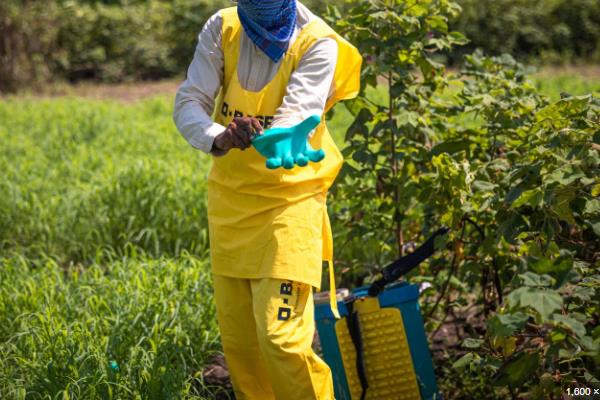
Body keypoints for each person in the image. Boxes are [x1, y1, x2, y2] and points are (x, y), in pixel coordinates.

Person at [173, 1, 361, 398]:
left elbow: (300, 110)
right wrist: (219, 136)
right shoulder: (222, 28)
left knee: (281, 339)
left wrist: (280, 133)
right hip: (231, 206)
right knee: (243, 350)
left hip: (290, 203)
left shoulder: (317, 43)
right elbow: (190, 100)